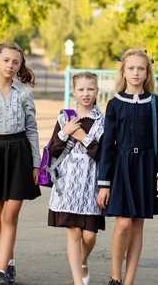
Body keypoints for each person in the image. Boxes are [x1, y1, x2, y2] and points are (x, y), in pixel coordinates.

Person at [96, 48, 158, 285]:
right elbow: (108, 144)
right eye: (131, 68)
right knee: (123, 222)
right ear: (124, 72)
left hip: (147, 167)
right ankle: (115, 276)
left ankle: (129, 280)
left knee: (138, 225)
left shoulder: (154, 102)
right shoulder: (115, 103)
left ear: (147, 72)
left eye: (141, 68)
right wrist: (104, 183)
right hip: (122, 167)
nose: (136, 73)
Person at [0, 42, 41, 285]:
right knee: (1, 213)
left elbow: (32, 129)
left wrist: (36, 164)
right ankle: (9, 262)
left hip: (20, 153)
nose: (11, 66)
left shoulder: (24, 92)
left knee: (10, 214)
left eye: (16, 62)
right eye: (6, 61)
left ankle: (0, 271)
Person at [47, 71, 105, 285]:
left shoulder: (103, 120)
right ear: (74, 92)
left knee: (89, 236)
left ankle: (82, 262)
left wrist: (84, 137)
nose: (86, 93)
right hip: (68, 183)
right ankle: (77, 281)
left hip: (91, 184)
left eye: (90, 89)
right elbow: (53, 150)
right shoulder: (65, 116)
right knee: (73, 233)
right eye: (81, 89)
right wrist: (65, 132)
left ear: (97, 91)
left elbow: (103, 154)